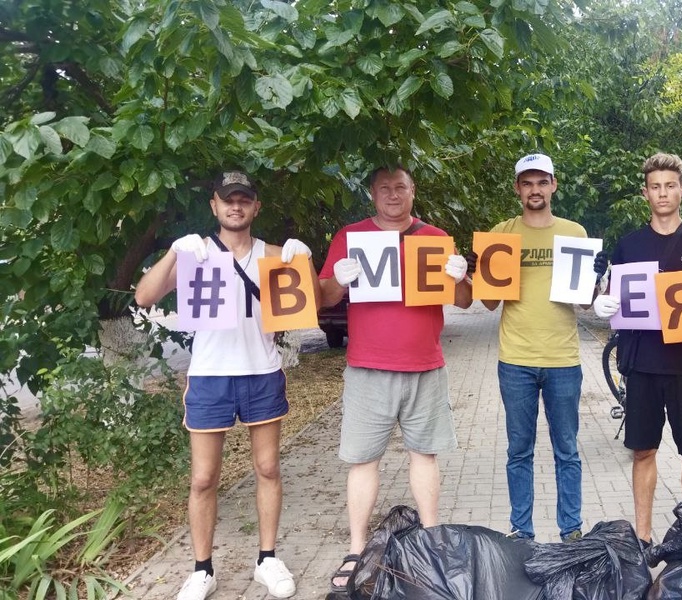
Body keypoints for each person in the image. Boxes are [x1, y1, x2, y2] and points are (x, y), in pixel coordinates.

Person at [134, 171, 315, 600]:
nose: (236, 206)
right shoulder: (194, 254)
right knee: (202, 478)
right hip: (209, 376)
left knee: (268, 469)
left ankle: (267, 559)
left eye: (244, 200)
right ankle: (202, 569)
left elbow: (311, 301)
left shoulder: (273, 255)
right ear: (214, 206)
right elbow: (143, 297)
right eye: (227, 200)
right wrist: (174, 255)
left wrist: (302, 262)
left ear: (255, 207)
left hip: (261, 372)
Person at [317, 166, 472, 593]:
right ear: (372, 193)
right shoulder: (350, 237)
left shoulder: (436, 238)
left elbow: (464, 301)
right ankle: (356, 547)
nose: (392, 194)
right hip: (368, 367)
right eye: (384, 188)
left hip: (425, 364)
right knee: (363, 459)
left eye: (399, 187)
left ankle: (432, 537)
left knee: (425, 454)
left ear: (412, 191)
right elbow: (322, 296)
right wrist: (337, 283)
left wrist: (462, 277)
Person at [592, 152, 682, 548]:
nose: (663, 193)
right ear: (645, 193)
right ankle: (642, 536)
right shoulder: (629, 245)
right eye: (655, 186)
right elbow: (612, 295)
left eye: (670, 185)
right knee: (642, 451)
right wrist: (604, 302)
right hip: (641, 363)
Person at [475, 153, 606, 542]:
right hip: (515, 359)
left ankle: (571, 530)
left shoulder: (574, 233)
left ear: (554, 185)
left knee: (567, 450)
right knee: (519, 451)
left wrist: (596, 281)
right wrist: (474, 271)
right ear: (517, 188)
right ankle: (521, 531)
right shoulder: (501, 233)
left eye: (542, 181)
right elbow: (486, 303)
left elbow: (584, 303)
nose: (535, 189)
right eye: (527, 182)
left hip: (563, 359)